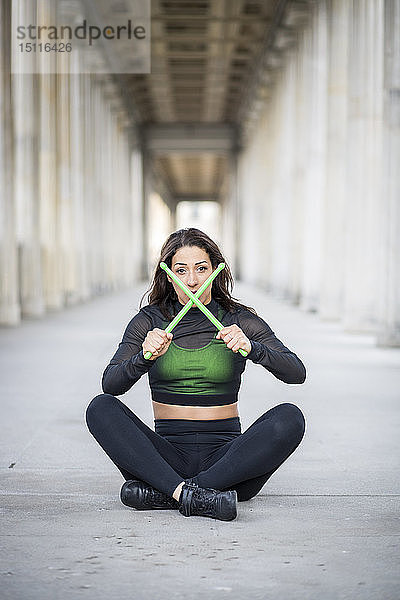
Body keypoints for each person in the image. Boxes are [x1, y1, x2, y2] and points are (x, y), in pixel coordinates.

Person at [85, 228, 306, 521]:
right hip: (163, 459)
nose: (191, 280)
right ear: (168, 275)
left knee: (290, 417)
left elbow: (296, 372)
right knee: (100, 408)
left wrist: (252, 348)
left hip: (229, 464)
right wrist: (143, 358)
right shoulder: (149, 321)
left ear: (216, 271)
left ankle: (172, 494)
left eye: (201, 269)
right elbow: (110, 385)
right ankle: (196, 496)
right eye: (181, 270)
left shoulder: (238, 320)